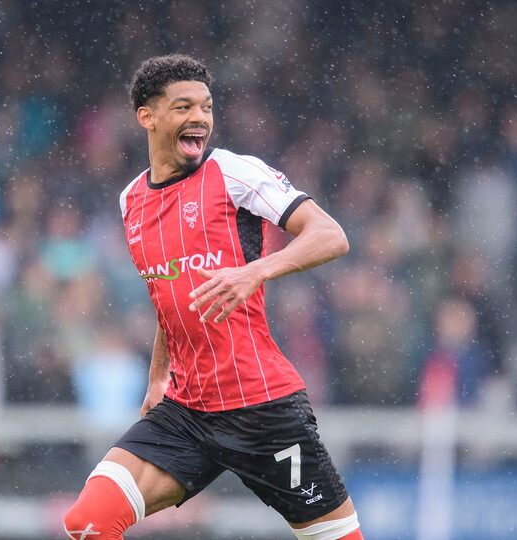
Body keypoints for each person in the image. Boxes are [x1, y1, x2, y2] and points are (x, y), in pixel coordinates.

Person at [63, 54, 363, 540]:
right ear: (148, 116)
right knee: (87, 523)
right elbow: (168, 294)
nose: (200, 117)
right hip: (187, 411)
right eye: (184, 107)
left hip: (262, 409)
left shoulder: (233, 172)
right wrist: (158, 375)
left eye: (206, 106)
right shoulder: (130, 201)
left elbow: (331, 235)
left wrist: (254, 272)